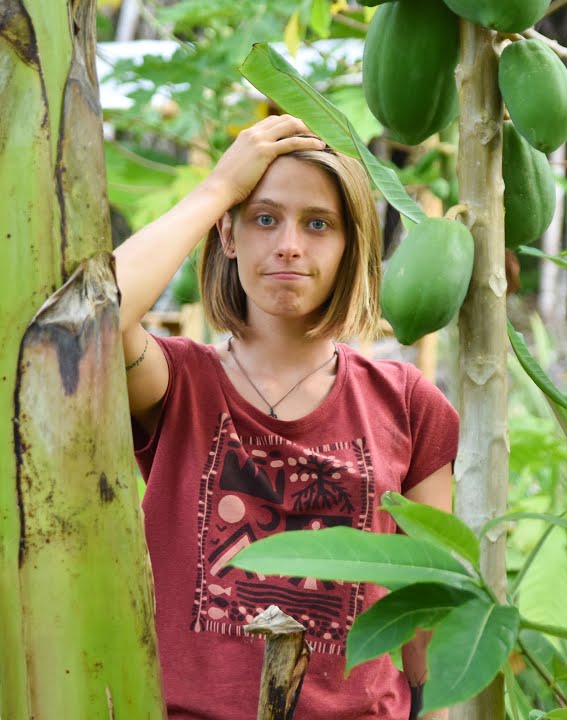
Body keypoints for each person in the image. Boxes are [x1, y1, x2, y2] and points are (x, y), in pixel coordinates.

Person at [113, 113, 458, 720]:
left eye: (318, 224)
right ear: (228, 236)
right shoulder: (179, 383)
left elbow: (427, 612)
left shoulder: (406, 403)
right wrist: (219, 188)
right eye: (264, 218)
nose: (289, 244)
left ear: (351, 243)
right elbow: (97, 314)